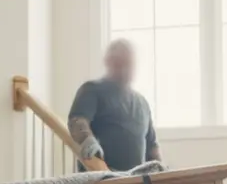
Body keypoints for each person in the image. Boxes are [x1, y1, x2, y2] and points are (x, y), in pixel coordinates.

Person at [67, 39, 163, 172]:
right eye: (119, 62)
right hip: (100, 177)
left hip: (136, 181)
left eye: (128, 63)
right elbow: (77, 121)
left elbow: (152, 146)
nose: (124, 68)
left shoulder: (143, 103)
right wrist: (87, 141)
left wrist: (161, 171)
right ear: (108, 62)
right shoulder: (92, 90)